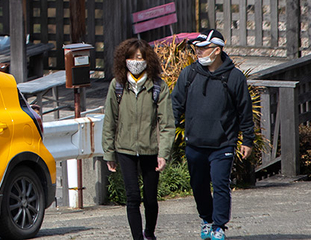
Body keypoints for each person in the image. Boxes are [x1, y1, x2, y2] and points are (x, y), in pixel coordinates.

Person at [172, 29, 255, 240]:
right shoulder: (188, 74)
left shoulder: (234, 77)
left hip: (223, 143)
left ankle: (219, 225)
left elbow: (244, 110)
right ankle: (206, 219)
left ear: (217, 50)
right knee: (198, 185)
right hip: (195, 143)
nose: (198, 52)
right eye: (196, 49)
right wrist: (167, 135)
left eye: (203, 48)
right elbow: (175, 106)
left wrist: (247, 139)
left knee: (220, 184)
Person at [103, 38, 175, 240]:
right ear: (124, 60)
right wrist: (109, 152)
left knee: (150, 199)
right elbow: (110, 119)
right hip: (124, 149)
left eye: (140, 58)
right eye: (132, 58)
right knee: (132, 198)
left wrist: (164, 153)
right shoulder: (117, 86)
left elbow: (167, 124)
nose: (135, 62)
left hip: (150, 150)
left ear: (147, 60)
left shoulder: (158, 87)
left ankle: (149, 233)